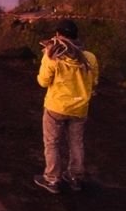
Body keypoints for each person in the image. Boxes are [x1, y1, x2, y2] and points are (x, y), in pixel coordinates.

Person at [34, 20, 99, 194]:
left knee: (52, 143)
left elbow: (43, 81)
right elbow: (93, 82)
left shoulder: (52, 55)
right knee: (76, 143)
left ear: (58, 35)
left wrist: (48, 60)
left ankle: (52, 179)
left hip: (56, 106)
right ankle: (75, 177)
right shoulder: (90, 58)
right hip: (79, 108)